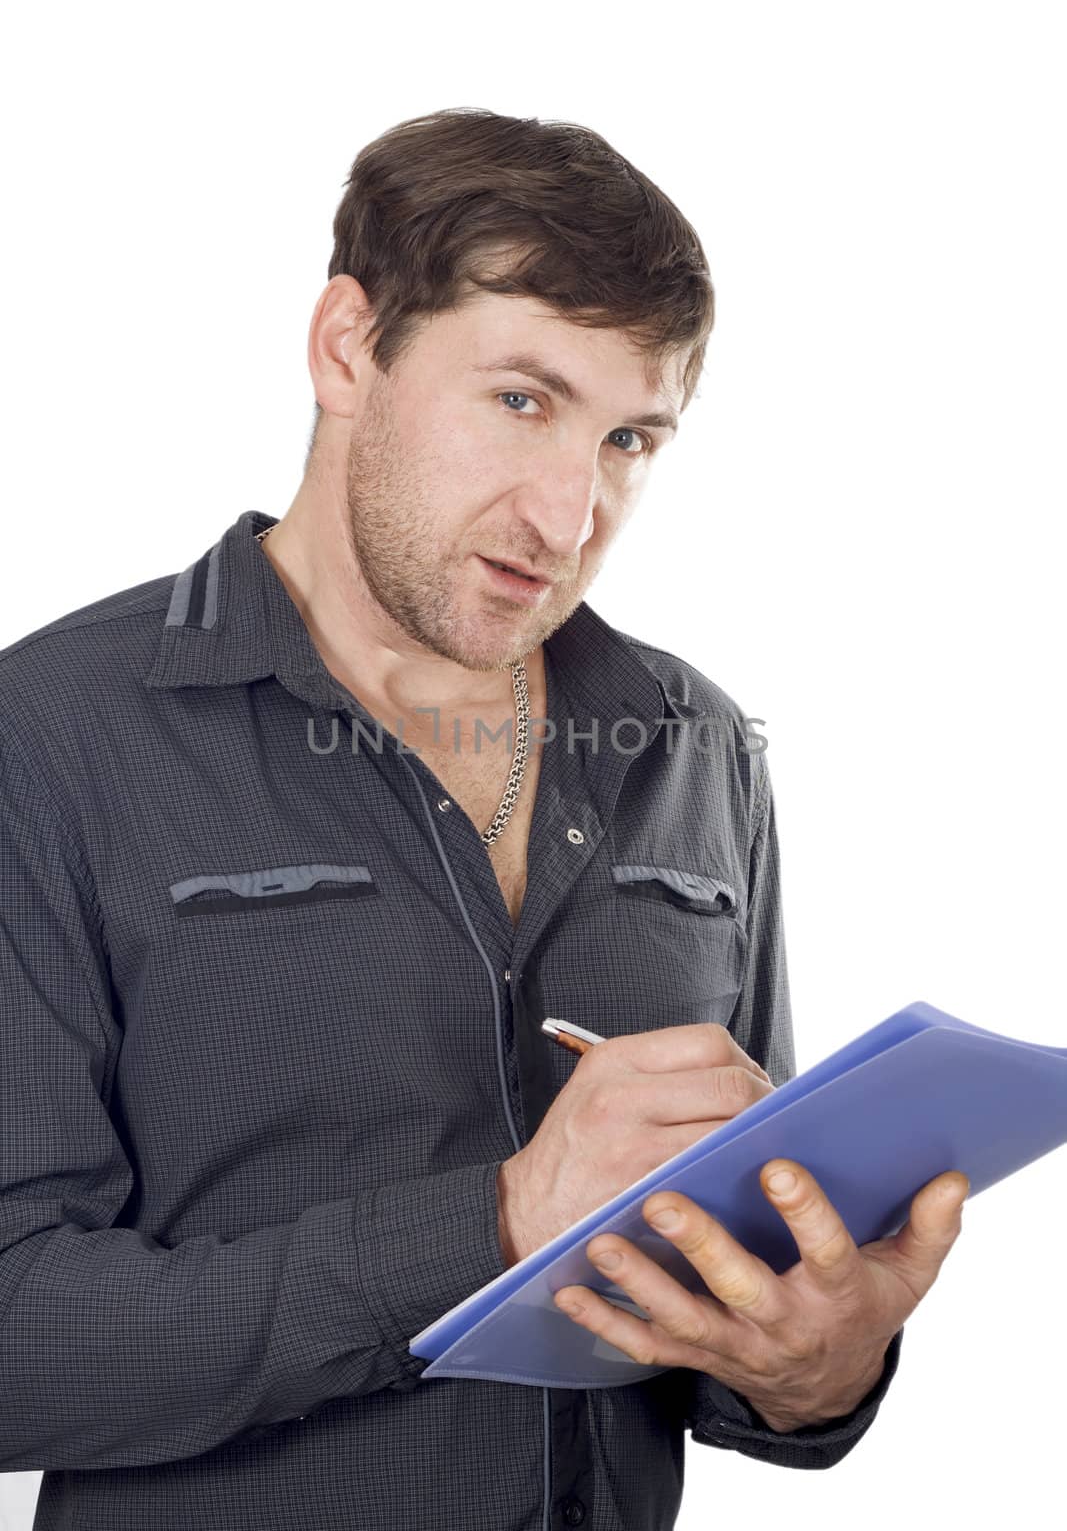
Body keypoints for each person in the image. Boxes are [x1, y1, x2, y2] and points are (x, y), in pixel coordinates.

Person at [0, 107, 967, 1531]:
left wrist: (818, 1363)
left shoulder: (696, 746)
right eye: (522, 401)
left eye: (630, 436)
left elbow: (722, 1287)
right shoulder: (52, 736)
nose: (570, 512)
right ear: (347, 348)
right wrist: (497, 1224)